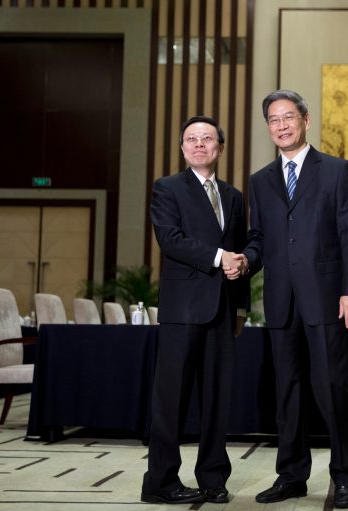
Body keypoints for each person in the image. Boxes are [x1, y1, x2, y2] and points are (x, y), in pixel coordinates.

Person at [243, 89, 348, 509]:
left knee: (333, 388)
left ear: (306, 120)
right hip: (281, 303)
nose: (281, 125)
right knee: (288, 394)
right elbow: (259, 238)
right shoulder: (260, 182)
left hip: (327, 299)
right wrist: (245, 261)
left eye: (288, 117)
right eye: (273, 120)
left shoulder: (335, 170)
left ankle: (346, 476)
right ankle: (291, 476)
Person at [141, 116, 251, 504]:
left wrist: (240, 309)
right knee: (170, 401)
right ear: (182, 148)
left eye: (207, 138)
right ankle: (160, 482)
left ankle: (213, 477)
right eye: (191, 139)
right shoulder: (167, 188)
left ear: (219, 146)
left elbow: (240, 248)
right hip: (182, 309)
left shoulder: (234, 196)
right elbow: (171, 241)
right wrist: (220, 257)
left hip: (223, 311)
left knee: (217, 400)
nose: (199, 144)